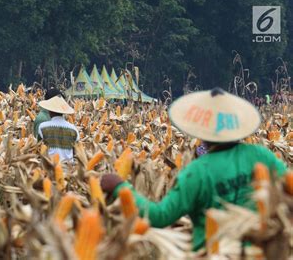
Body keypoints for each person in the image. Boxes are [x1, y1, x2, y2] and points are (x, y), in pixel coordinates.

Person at [100, 88, 288, 251]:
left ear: (201, 130)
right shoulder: (261, 156)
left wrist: (120, 187)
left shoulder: (197, 172)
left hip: (210, 253)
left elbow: (160, 216)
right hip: (260, 252)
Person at [38, 96, 79, 162]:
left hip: (50, 166)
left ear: (50, 111)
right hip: (69, 169)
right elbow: (76, 152)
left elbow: (39, 147)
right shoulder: (73, 129)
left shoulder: (42, 127)